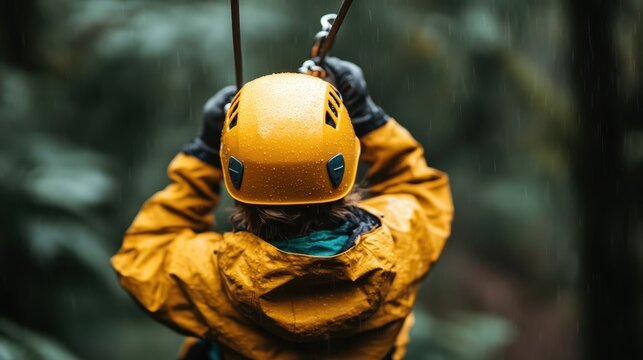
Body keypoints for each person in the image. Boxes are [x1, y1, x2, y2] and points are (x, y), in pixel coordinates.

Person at [111, 57, 454, 359]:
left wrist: (201, 155)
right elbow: (420, 189)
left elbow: (139, 257)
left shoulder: (209, 276)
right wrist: (369, 118)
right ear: (342, 167)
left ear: (235, 174)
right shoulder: (400, 240)